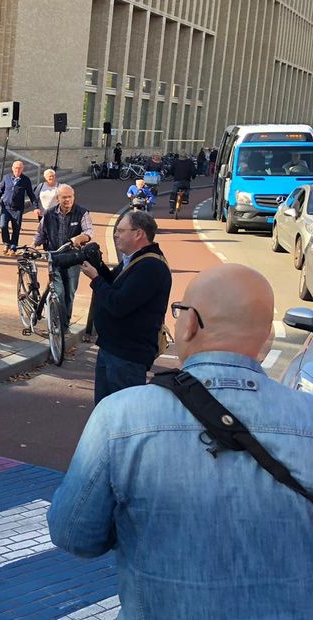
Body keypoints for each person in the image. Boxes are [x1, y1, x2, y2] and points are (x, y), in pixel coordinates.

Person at [48, 263, 313, 618]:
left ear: (189, 324)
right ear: (267, 340)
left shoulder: (121, 416)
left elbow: (74, 535)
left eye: (180, 312)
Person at [80, 209, 171, 403]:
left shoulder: (150, 267)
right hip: (112, 348)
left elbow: (119, 304)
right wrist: (100, 267)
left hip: (127, 356)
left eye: (121, 231)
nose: (115, 235)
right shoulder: (135, 260)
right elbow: (114, 285)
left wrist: (95, 278)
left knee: (122, 415)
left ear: (138, 234)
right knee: (105, 413)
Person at [34, 184, 94, 329]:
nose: (67, 200)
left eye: (70, 197)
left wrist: (80, 238)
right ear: (57, 199)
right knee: (59, 292)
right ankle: (57, 323)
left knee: (69, 293)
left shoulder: (82, 213)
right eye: (64, 197)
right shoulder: (48, 214)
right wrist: (33, 244)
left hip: (73, 258)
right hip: (54, 257)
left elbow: (89, 232)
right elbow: (40, 233)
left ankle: (64, 325)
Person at [0, 160, 38, 255]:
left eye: (19, 168)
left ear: (22, 169)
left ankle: (13, 247)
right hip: (6, 207)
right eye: (16, 168)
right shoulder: (6, 178)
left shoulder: (25, 180)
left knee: (16, 229)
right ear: (12, 168)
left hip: (18, 209)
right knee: (3, 226)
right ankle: (6, 243)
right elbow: (0, 191)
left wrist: (36, 207)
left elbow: (31, 194)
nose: (17, 170)